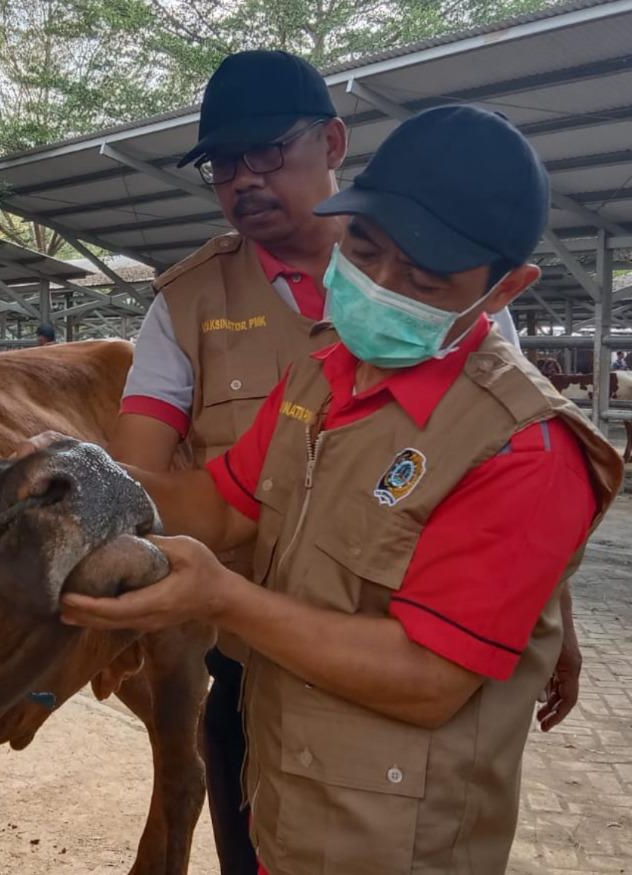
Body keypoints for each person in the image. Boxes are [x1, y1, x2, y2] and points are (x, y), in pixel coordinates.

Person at [55, 106, 622, 874]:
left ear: (504, 289)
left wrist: (221, 597)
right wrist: (86, 480)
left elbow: (428, 678)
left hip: (390, 836)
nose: (381, 285)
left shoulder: (524, 447)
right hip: (284, 787)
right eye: (364, 249)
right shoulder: (328, 371)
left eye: (424, 276)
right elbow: (223, 501)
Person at [110, 49, 346, 872]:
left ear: (335, 145)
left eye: (265, 152)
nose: (241, 178)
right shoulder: (184, 307)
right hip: (254, 672)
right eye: (220, 164)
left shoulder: (436, 276)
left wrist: (555, 618)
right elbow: (137, 482)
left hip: (412, 665)